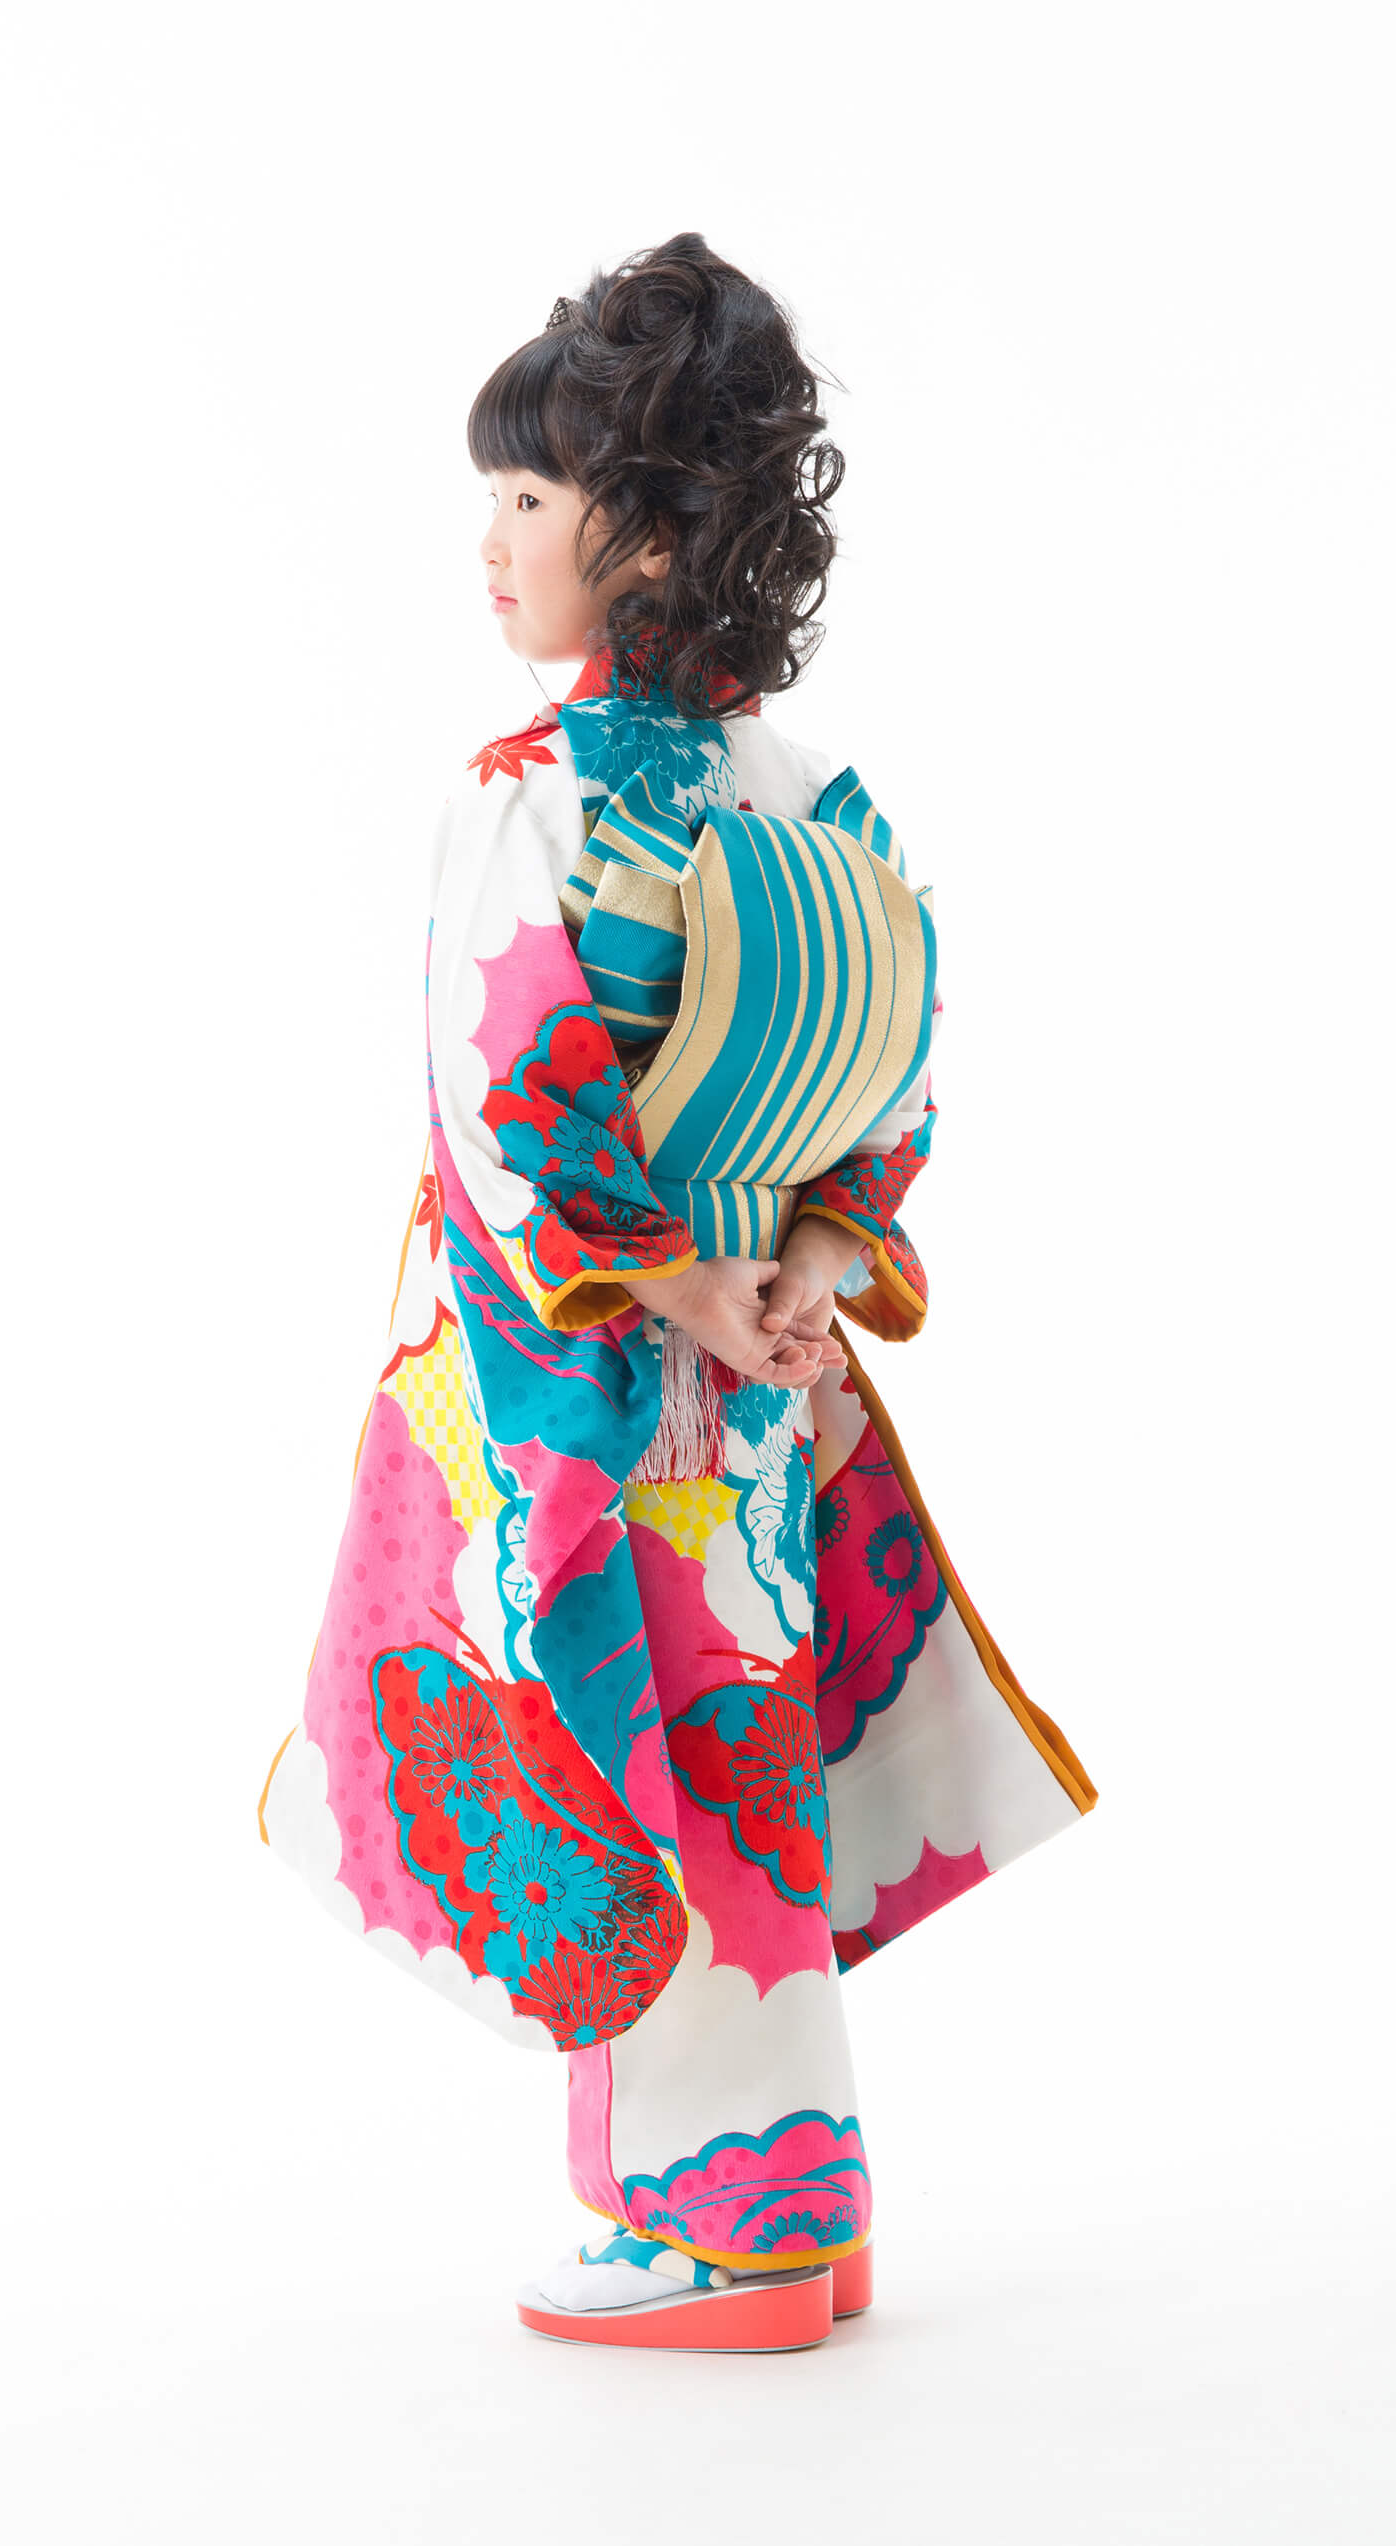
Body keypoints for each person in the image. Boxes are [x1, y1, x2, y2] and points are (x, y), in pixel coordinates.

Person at [257, 232, 1096, 2352]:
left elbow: (511, 1103)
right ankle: (794, 2197)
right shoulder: (814, 793)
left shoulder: (532, 800)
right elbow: (887, 1074)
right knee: (743, 1754)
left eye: (528, 496)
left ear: (645, 522)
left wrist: (676, 1289)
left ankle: (726, 2230)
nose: (491, 542)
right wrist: (800, 1266)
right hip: (755, 1388)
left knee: (621, 1779)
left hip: (599, 1382)